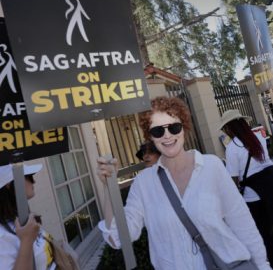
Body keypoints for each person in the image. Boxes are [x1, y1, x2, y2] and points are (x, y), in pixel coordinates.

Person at [97, 96, 271, 270]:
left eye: (174, 127)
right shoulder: (143, 184)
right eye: (158, 131)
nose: (167, 136)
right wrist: (108, 187)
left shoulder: (212, 166)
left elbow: (242, 224)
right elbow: (119, 238)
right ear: (149, 136)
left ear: (184, 128)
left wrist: (262, 266)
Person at [219, 109, 273, 266]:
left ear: (230, 127)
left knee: (263, 232)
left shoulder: (232, 148)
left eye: (225, 128)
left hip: (253, 195)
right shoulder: (258, 137)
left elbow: (233, 179)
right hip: (270, 185)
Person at [0, 163, 56, 270]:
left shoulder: (20, 218)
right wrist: (26, 240)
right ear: (8, 184)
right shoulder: (2, 236)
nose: (33, 181)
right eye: (28, 176)